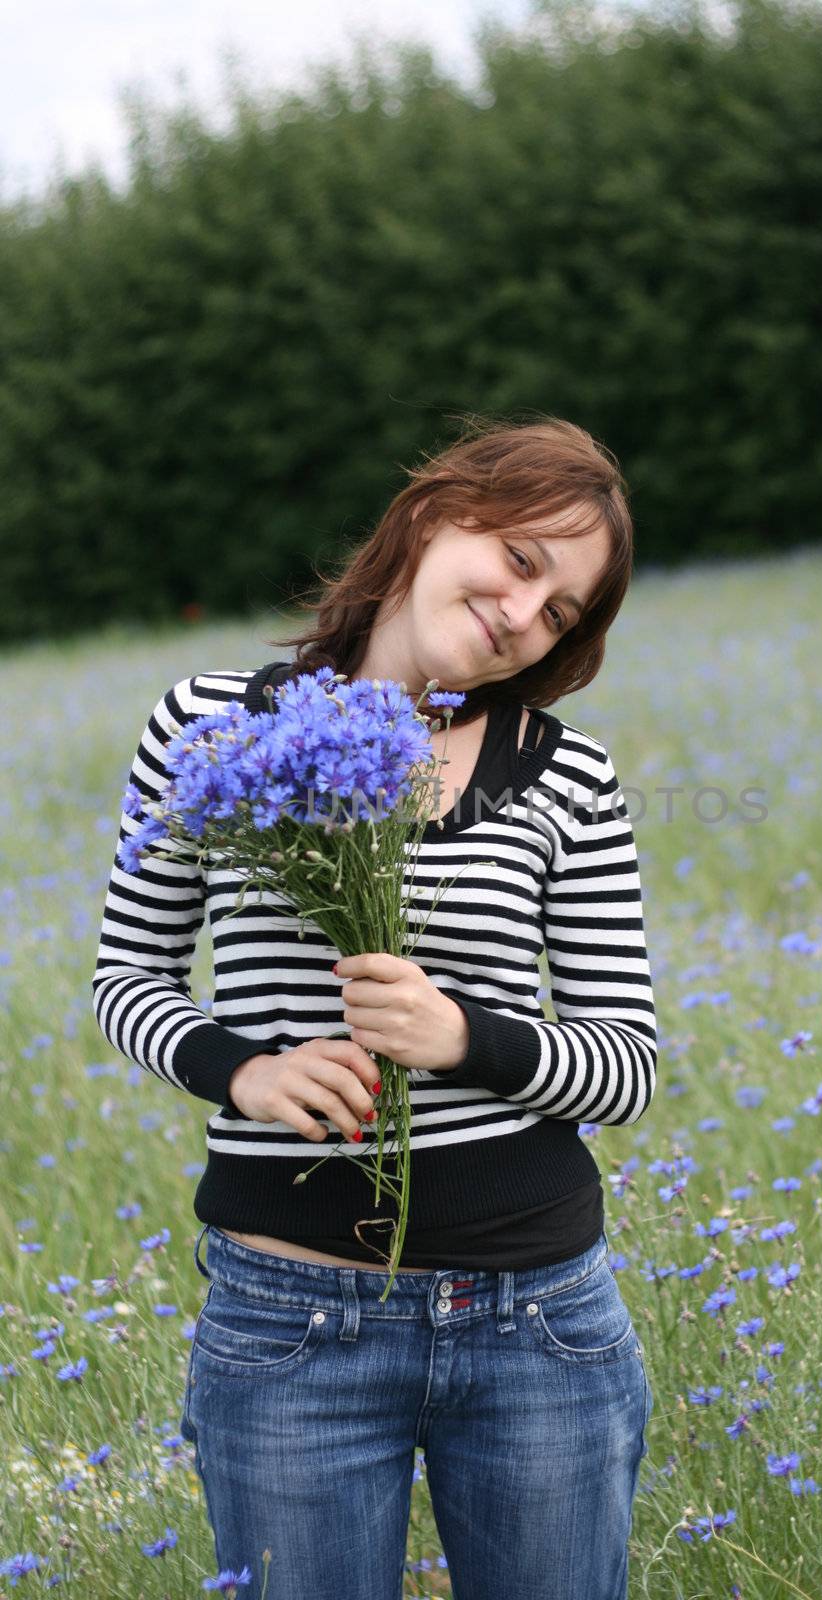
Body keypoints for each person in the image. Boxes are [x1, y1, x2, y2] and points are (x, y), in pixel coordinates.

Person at [91, 416, 659, 1600]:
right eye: (517, 558)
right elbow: (126, 978)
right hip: (288, 1322)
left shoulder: (567, 774)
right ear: (434, 517)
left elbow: (624, 1065)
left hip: (535, 1322)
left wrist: (461, 1035)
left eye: (560, 611)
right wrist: (244, 1071)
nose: (521, 611)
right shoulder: (212, 728)